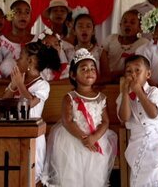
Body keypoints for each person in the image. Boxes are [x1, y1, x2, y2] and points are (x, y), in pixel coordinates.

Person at [44, 48, 117, 186]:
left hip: (96, 140)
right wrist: (84, 139)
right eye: (84, 69)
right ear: (73, 75)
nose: (89, 72)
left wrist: (93, 138)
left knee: (94, 176)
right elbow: (67, 121)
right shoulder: (70, 98)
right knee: (72, 177)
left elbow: (106, 121)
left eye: (92, 69)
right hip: (72, 142)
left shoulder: (100, 97)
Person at [1, 41, 61, 183]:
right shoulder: (18, 80)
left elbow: (29, 103)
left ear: (30, 61)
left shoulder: (43, 85)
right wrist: (13, 86)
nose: (17, 60)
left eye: (20, 57)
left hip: (32, 136)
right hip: (13, 133)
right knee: (13, 176)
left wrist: (20, 85)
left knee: (29, 177)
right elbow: (3, 104)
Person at [118, 55, 158, 187]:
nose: (133, 74)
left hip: (155, 138)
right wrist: (125, 93)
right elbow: (124, 117)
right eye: (129, 71)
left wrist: (139, 92)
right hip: (136, 140)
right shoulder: (124, 95)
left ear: (148, 74)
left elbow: (153, 114)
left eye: (137, 70)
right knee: (139, 174)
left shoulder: (153, 91)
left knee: (156, 170)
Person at [100, 9, 149, 83]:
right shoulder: (111, 39)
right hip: (109, 82)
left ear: (140, 28)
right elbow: (104, 70)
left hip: (133, 81)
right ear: (120, 25)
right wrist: (109, 76)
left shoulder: (143, 43)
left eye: (132, 22)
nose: (127, 24)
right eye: (125, 22)